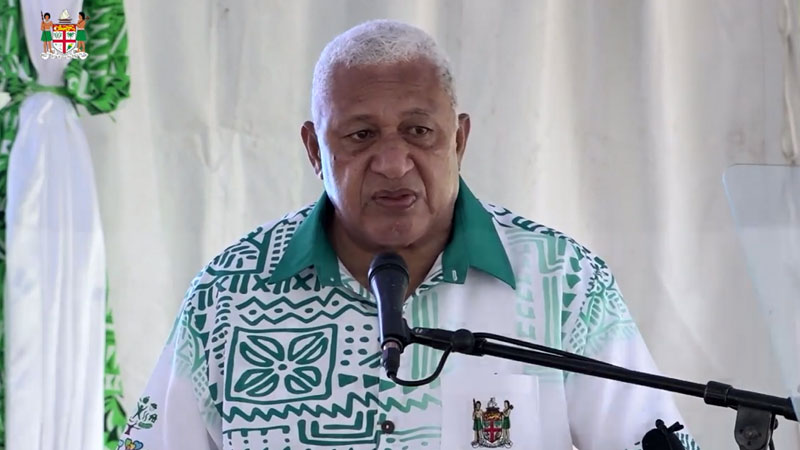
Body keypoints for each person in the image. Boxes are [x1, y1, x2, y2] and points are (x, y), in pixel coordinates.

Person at [122, 19, 701, 449]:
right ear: (314, 150)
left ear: (459, 139)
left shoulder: (564, 282)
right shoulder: (228, 294)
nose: (394, 163)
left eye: (419, 131)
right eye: (360, 136)